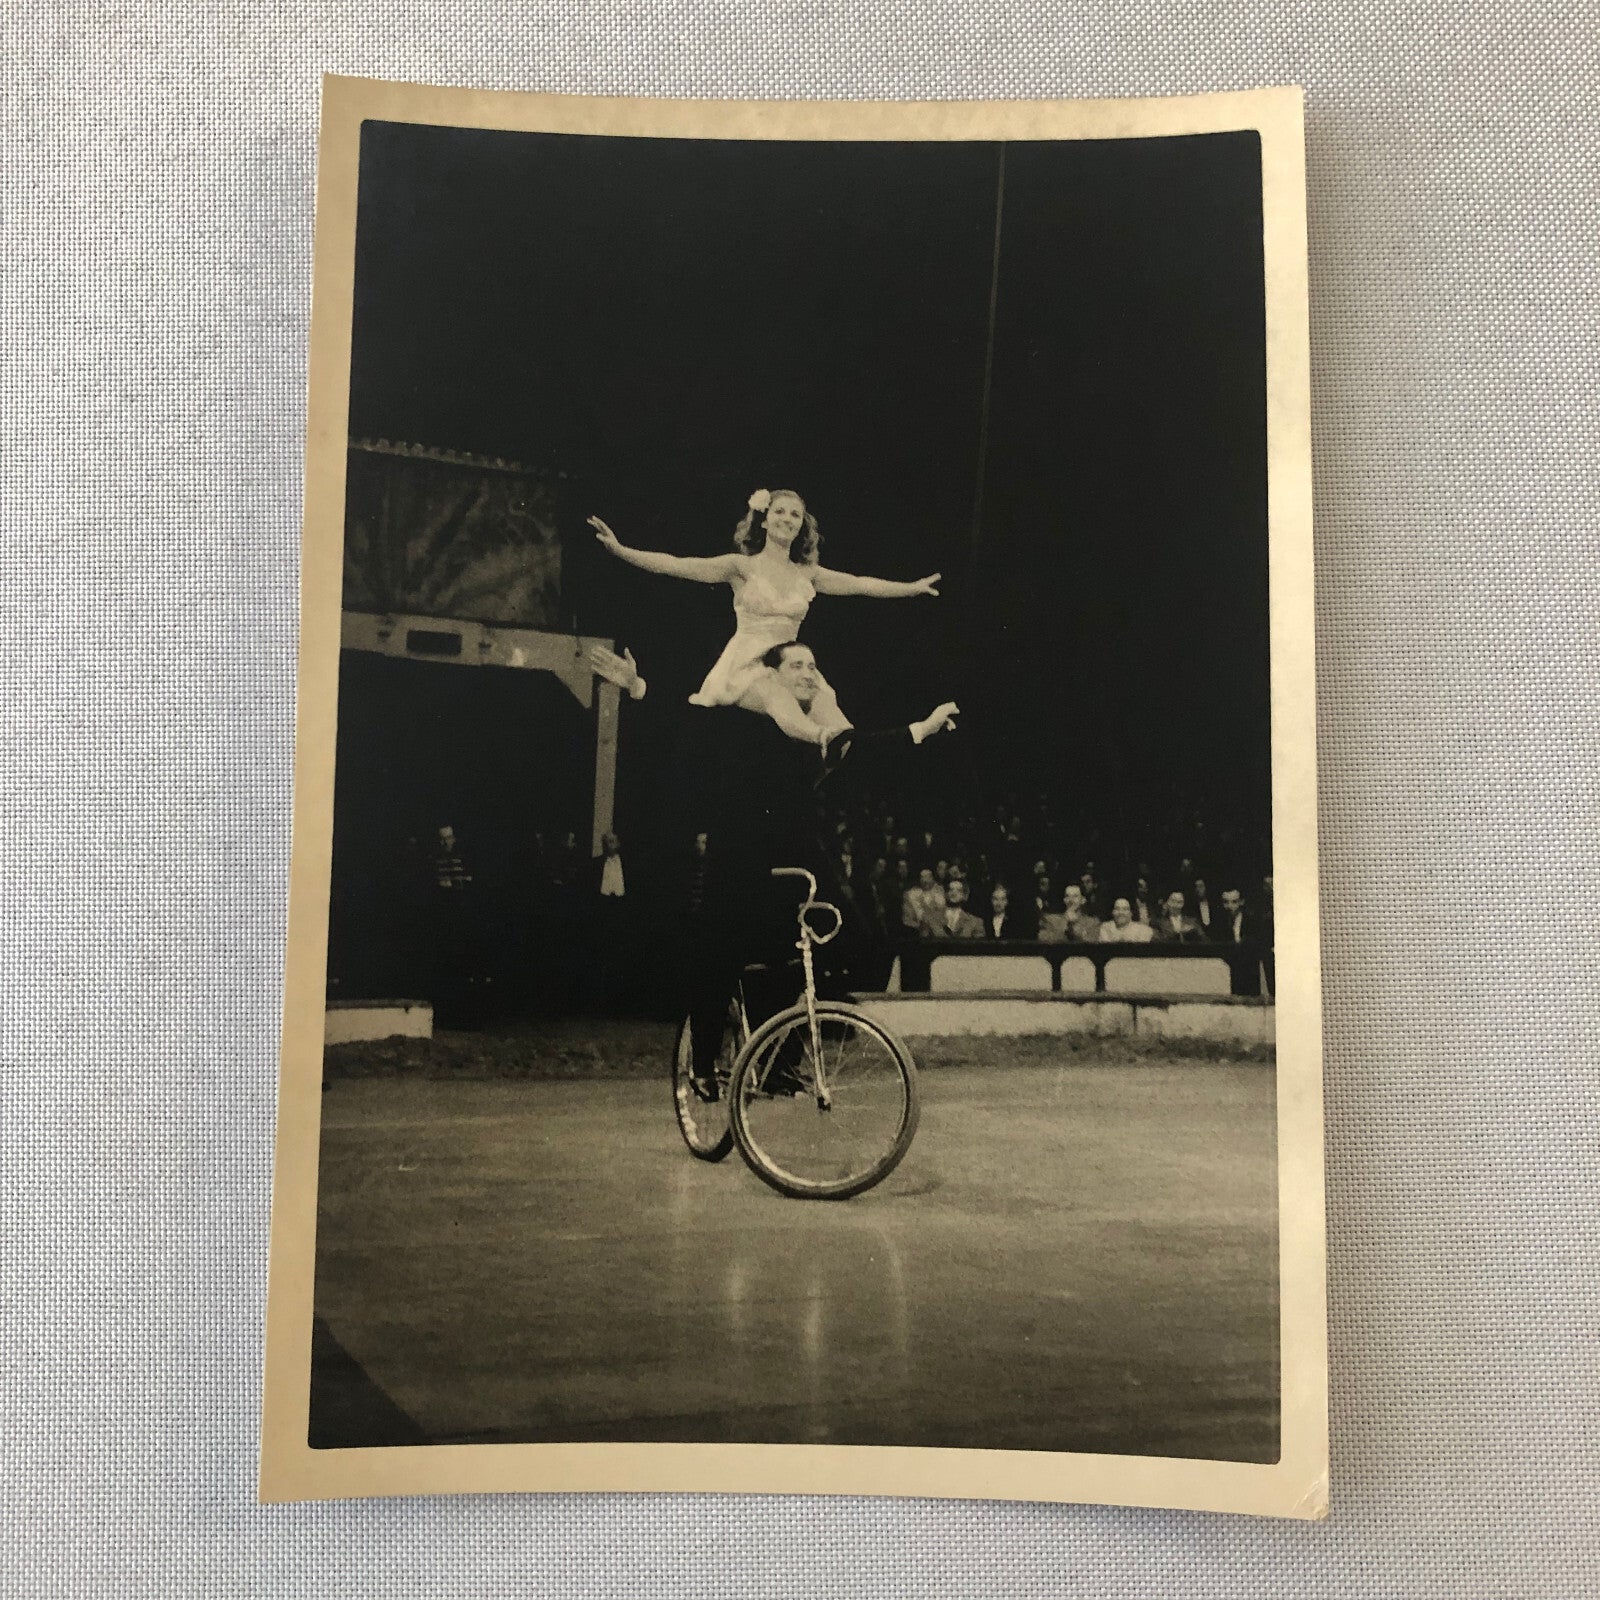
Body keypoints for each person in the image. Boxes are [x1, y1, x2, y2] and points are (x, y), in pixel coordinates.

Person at [588, 638, 957, 1093]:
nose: (807, 672)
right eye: (796, 665)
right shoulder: (745, 716)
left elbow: (861, 748)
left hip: (796, 849)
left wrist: (922, 728)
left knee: (837, 943)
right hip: (739, 846)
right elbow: (686, 715)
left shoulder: (817, 727)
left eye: (812, 665)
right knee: (721, 955)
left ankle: (779, 1059)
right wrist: (638, 686)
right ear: (773, 677)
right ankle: (702, 1065)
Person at [588, 488, 940, 747]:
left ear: (802, 526)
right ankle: (821, 738)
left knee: (832, 710)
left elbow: (862, 584)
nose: (787, 519)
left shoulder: (809, 573)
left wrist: (911, 588)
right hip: (749, 663)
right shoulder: (740, 566)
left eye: (795, 515)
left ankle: (899, 737)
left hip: (793, 663)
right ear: (765, 518)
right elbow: (676, 565)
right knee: (775, 694)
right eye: (780, 512)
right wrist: (621, 550)